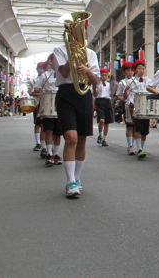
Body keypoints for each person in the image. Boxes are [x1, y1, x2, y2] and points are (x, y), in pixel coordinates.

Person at [52, 23, 100, 198]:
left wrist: (88, 71)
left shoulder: (91, 54)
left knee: (81, 140)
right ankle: (70, 180)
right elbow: (64, 73)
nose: (77, 37)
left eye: (81, 33)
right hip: (66, 93)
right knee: (70, 138)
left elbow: (96, 81)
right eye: (73, 34)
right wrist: (71, 56)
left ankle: (77, 179)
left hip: (84, 94)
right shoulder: (58, 50)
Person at [34, 55, 63, 166]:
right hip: (47, 106)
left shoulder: (62, 73)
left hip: (60, 105)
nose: (52, 63)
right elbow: (36, 87)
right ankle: (49, 153)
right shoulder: (44, 75)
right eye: (51, 61)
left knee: (58, 133)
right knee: (49, 130)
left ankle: (56, 154)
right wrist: (38, 88)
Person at [127, 60, 153, 160]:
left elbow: (151, 91)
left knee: (145, 130)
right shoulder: (130, 81)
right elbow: (126, 96)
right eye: (139, 68)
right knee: (137, 127)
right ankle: (139, 149)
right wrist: (126, 91)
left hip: (145, 106)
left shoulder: (148, 80)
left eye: (143, 68)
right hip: (135, 106)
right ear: (135, 70)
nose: (141, 71)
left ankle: (141, 147)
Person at [115, 61, 136, 153]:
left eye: (131, 70)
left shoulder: (137, 80)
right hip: (128, 106)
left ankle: (134, 144)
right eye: (127, 70)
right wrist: (124, 98)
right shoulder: (122, 83)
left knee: (136, 126)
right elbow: (117, 95)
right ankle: (130, 145)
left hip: (137, 105)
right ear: (124, 72)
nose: (130, 72)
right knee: (130, 126)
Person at [93, 68, 113, 147]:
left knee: (107, 123)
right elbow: (94, 95)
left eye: (105, 75)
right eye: (102, 75)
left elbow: (112, 94)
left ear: (107, 76)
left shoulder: (110, 85)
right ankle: (100, 134)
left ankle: (104, 139)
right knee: (101, 120)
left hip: (107, 102)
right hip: (99, 101)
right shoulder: (97, 84)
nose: (104, 77)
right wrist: (94, 88)